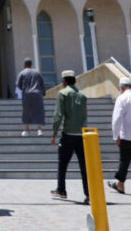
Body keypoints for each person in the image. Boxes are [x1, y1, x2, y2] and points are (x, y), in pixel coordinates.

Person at [50, 70, 89, 203]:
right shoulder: (82, 95)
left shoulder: (63, 93)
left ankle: (61, 189)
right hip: (82, 135)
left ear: (64, 81)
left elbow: (58, 115)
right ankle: (88, 194)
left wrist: (54, 133)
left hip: (68, 134)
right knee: (84, 166)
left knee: (63, 163)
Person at [15, 58, 45, 136]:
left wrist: (23, 89)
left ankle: (27, 131)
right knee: (38, 111)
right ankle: (39, 130)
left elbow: (18, 84)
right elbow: (42, 84)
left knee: (26, 112)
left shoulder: (22, 73)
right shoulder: (37, 73)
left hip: (26, 94)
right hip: (37, 93)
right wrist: (43, 93)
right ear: (31, 64)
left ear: (24, 64)